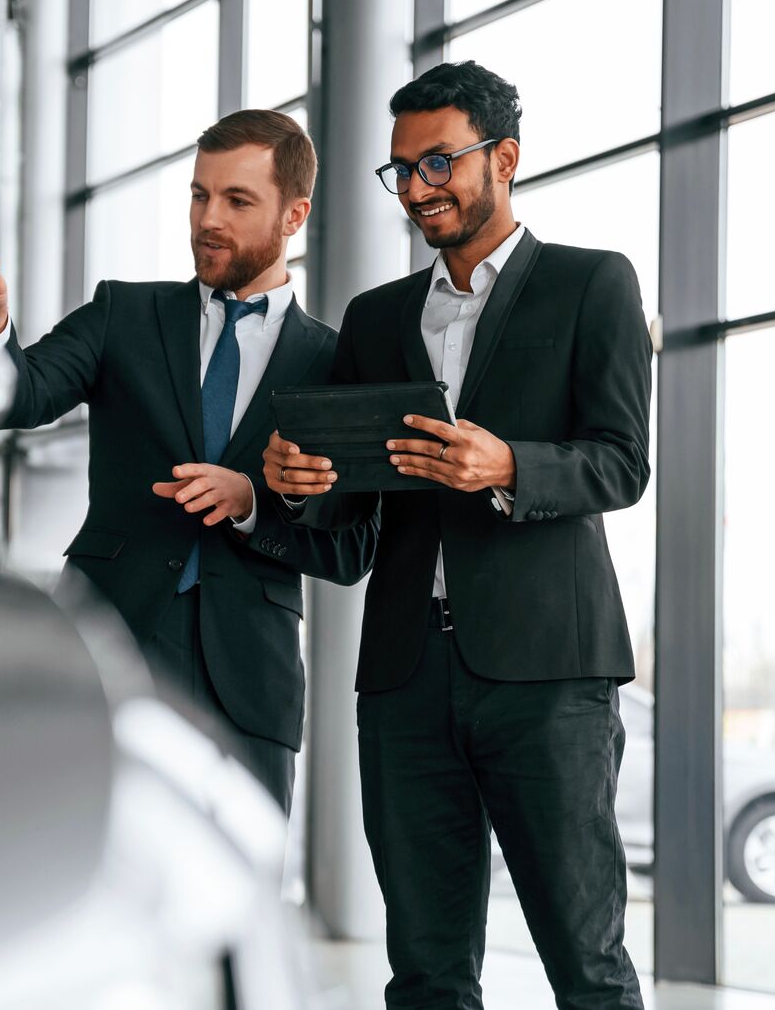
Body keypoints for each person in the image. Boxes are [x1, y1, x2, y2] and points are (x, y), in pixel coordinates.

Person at [264, 62, 651, 1008]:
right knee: (428, 972)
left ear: (504, 158)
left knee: (586, 964)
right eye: (402, 171)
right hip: (404, 680)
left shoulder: (591, 285)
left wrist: (510, 464)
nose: (419, 190)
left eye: (438, 164)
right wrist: (298, 487)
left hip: (548, 676)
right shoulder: (377, 318)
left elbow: (622, 462)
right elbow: (349, 508)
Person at [0, 109, 376, 812]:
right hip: (108, 647)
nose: (208, 218)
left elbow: (353, 547)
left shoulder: (335, 363)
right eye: (199, 194)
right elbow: (23, 396)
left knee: (229, 893)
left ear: (294, 214)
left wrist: (251, 501)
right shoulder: (123, 313)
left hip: (249, 677)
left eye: (237, 200)